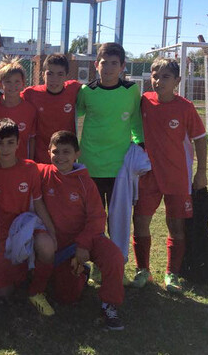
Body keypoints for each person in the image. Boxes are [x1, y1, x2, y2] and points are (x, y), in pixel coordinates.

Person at [31, 131, 125, 330]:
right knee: (67, 297)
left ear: (77, 154)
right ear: (48, 152)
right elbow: (17, 165)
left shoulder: (85, 181)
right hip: (60, 245)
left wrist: (83, 246)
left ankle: (109, 305)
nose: (61, 157)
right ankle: (81, 272)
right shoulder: (42, 172)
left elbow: (97, 218)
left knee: (114, 256)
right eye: (56, 152)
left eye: (67, 152)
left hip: (87, 240)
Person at [131, 58, 207, 293]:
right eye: (155, 75)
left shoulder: (185, 107)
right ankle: (143, 269)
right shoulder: (143, 102)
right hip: (148, 175)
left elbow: (200, 139)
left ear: (177, 81)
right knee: (141, 220)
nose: (158, 81)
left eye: (165, 77)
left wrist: (202, 172)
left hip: (178, 176)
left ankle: (171, 274)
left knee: (176, 225)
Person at [0, 118, 56, 303]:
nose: (4, 148)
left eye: (10, 143)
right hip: (0, 230)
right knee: (4, 294)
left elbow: (38, 203)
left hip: (27, 223)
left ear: (18, 143)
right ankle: (21, 272)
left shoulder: (30, 168)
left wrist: (52, 232)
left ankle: (37, 290)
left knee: (47, 246)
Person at [76, 42, 144, 209]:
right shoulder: (86, 91)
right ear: (96, 64)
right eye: (104, 62)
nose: (108, 67)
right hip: (90, 164)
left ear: (122, 66)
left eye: (114, 63)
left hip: (120, 166)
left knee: (118, 219)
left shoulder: (131, 90)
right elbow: (72, 117)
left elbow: (136, 120)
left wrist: (140, 144)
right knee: (93, 216)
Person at [22, 54, 81, 163]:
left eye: (60, 74)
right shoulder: (31, 93)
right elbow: (10, 97)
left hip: (66, 159)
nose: (54, 79)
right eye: (50, 74)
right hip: (41, 158)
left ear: (66, 76)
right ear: (42, 75)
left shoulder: (74, 89)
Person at [0, 58, 37, 160]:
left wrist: (31, 162)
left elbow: (31, 139)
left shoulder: (30, 110)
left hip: (21, 163)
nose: (13, 85)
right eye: (8, 81)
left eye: (17, 81)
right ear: (0, 84)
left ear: (23, 83)